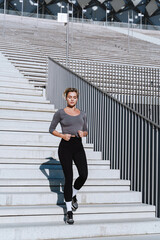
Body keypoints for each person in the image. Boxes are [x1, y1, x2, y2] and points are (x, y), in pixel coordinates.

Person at [49, 87, 88, 224]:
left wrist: (84, 134)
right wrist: (61, 135)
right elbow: (51, 129)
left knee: (84, 174)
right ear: (66, 97)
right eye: (70, 97)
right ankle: (69, 212)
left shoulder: (82, 113)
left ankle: (72, 195)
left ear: (77, 98)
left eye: (74, 97)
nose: (72, 99)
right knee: (69, 177)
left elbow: (86, 130)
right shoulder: (60, 113)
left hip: (78, 145)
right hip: (65, 145)